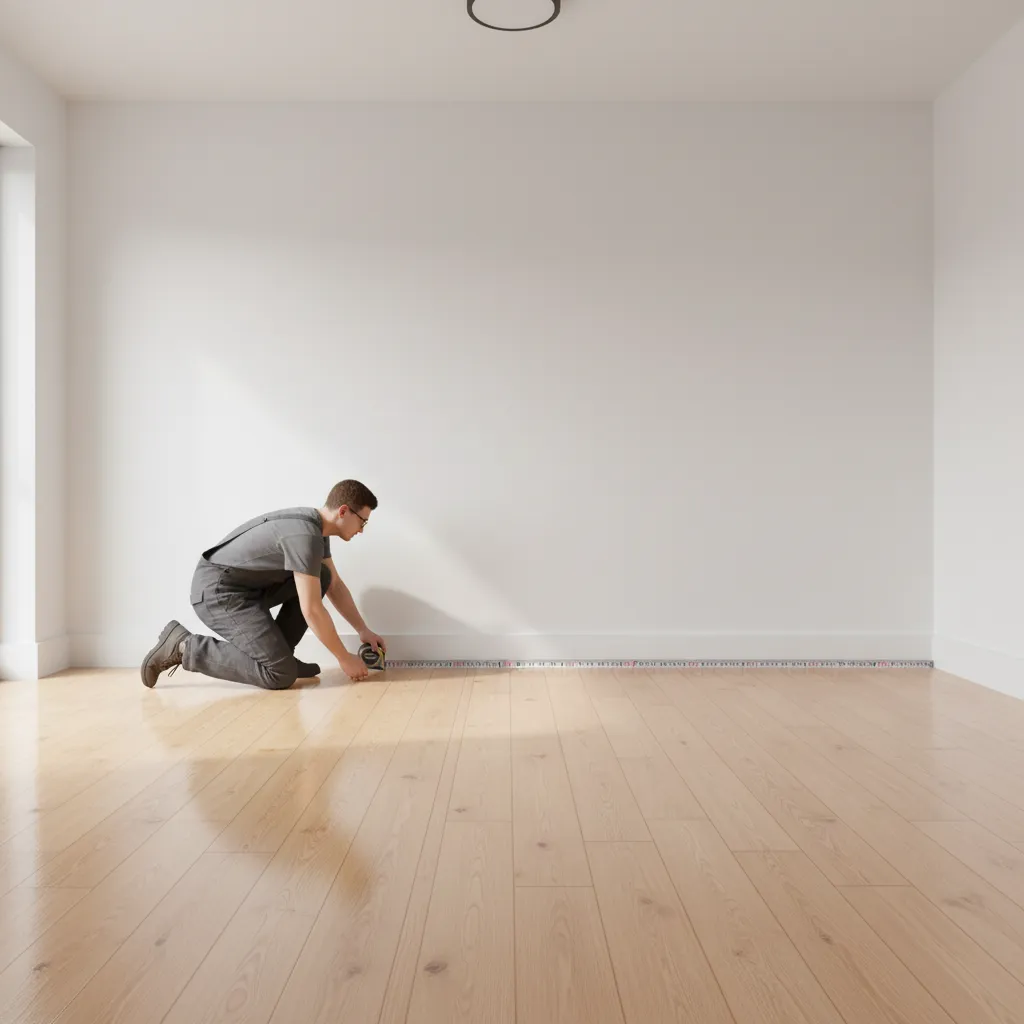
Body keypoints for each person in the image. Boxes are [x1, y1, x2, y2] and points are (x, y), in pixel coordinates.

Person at [140, 479, 386, 689]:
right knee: (280, 675)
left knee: (321, 576)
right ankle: (184, 647)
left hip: (247, 590)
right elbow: (312, 610)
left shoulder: (316, 532)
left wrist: (362, 629)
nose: (362, 530)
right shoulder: (305, 535)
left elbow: (334, 585)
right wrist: (343, 658)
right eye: (362, 521)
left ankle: (281, 657)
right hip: (217, 591)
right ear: (343, 511)